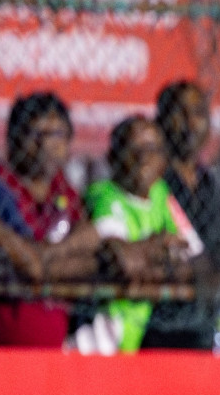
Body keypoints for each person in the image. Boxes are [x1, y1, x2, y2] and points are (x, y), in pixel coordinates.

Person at [0, 93, 105, 345]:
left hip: (54, 347)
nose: (46, 145)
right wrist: (52, 264)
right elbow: (24, 267)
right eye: (35, 134)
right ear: (12, 139)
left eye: (56, 135)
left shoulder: (65, 192)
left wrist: (44, 258)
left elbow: (91, 247)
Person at [82, 117, 197, 354]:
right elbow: (125, 263)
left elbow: (194, 256)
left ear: (164, 159)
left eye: (152, 149)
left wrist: (147, 257)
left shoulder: (161, 194)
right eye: (134, 149)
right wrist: (162, 249)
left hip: (145, 330)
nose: (144, 157)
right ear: (114, 158)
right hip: (102, 335)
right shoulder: (105, 195)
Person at [151, 80, 220, 349]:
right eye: (180, 113)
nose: (190, 123)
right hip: (162, 321)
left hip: (208, 318)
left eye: (199, 113)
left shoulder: (214, 186)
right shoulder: (153, 184)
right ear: (161, 121)